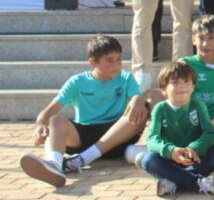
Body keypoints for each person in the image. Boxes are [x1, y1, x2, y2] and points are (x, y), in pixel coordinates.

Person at [20, 36, 149, 187]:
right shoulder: (77, 81)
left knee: (142, 108)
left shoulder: (126, 77)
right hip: (85, 136)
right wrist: (40, 124)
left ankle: (82, 160)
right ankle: (54, 164)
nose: (117, 65)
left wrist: (137, 100)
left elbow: (137, 96)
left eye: (119, 59)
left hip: (117, 136)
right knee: (55, 120)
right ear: (93, 62)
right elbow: (49, 111)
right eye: (110, 60)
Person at [137, 60, 214, 196]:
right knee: (147, 159)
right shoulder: (160, 109)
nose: (182, 86)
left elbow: (209, 133)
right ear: (163, 89)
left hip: (195, 159)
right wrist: (171, 151)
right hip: (169, 159)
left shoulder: (198, 105)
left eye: (187, 81)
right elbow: (151, 138)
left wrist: (194, 148)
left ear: (193, 87)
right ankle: (199, 183)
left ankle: (173, 182)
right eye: (175, 82)